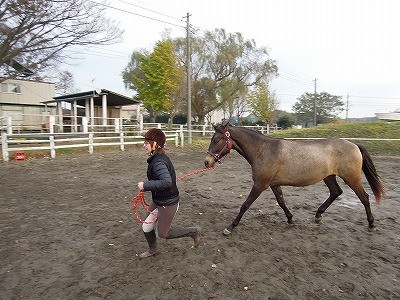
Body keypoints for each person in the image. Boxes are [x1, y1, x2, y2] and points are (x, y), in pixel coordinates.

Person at [137, 128, 202, 259]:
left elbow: (166, 182)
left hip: (168, 203)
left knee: (163, 233)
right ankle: (153, 249)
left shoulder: (158, 162)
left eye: (147, 143)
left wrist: (145, 185)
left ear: (155, 144)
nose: (144, 145)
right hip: (159, 199)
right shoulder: (157, 158)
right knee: (146, 226)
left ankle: (194, 231)